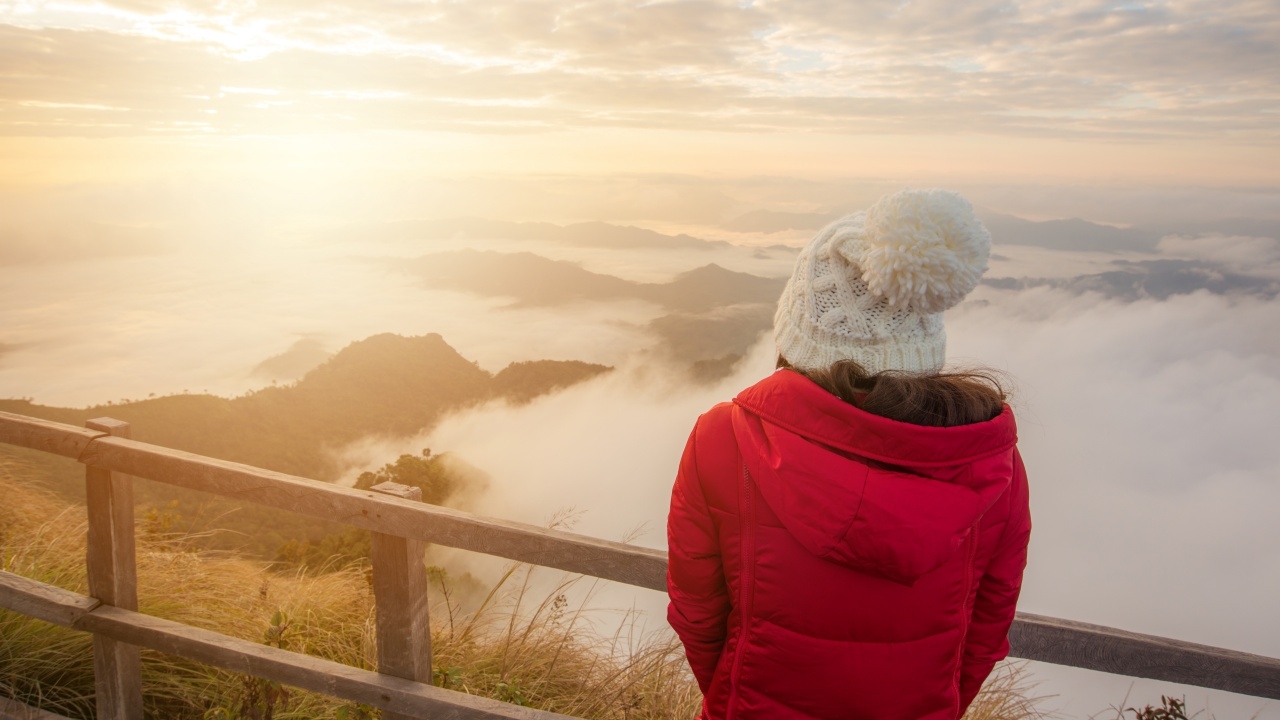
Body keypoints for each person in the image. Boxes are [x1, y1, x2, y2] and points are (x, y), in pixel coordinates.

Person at [666, 189, 1031, 720]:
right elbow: (986, 632)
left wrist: (734, 700)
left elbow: (697, 614)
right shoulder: (989, 462)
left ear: (800, 326)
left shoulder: (727, 439)